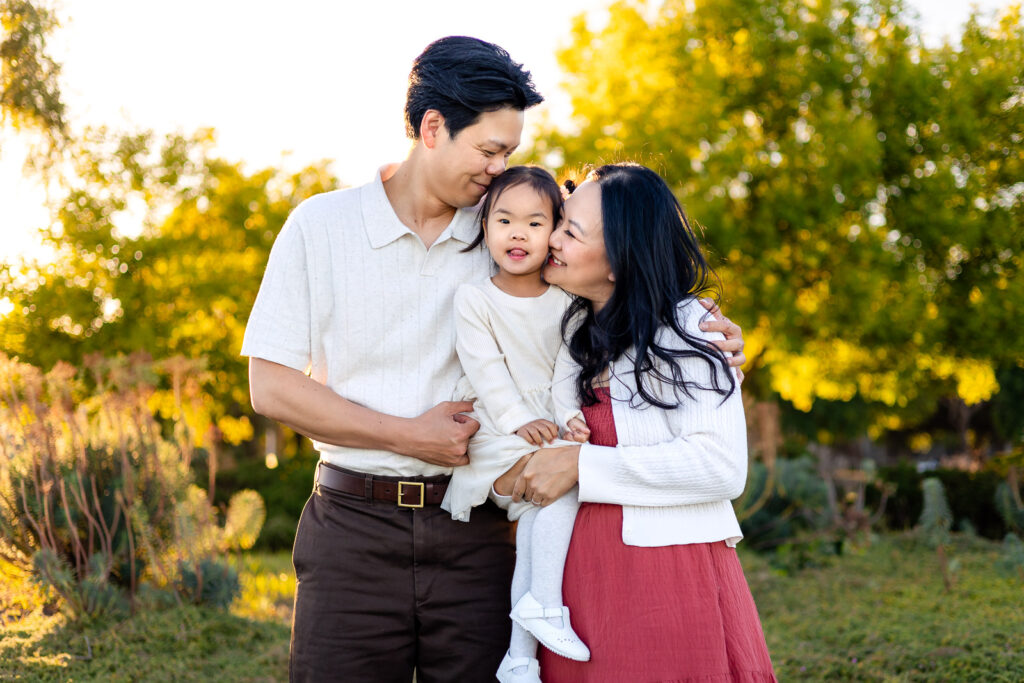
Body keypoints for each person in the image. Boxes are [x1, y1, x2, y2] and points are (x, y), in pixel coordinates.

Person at [242, 35, 747, 681]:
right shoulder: (320, 226)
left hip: (482, 527)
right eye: (489, 149)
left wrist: (695, 322)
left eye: (508, 151)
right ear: (432, 128)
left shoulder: (511, 230)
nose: (498, 166)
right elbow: (272, 386)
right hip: (352, 529)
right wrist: (409, 435)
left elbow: (616, 269)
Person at [496, 163, 777, 682]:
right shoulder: (576, 327)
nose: (549, 238)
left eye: (569, 231)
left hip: (661, 578)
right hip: (573, 585)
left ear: (618, 263)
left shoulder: (689, 328)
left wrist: (582, 463)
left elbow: (720, 468)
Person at [439, 166, 592, 683]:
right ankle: (544, 605)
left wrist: (568, 417)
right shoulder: (475, 298)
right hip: (498, 430)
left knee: (534, 520)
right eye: (504, 220)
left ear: (554, 229)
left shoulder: (567, 300)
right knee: (560, 493)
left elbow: (566, 370)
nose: (517, 233)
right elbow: (484, 370)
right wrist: (518, 418)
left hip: (544, 428)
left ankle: (520, 658)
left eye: (534, 222)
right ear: (485, 227)